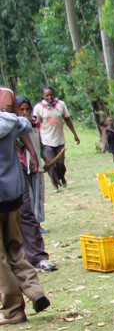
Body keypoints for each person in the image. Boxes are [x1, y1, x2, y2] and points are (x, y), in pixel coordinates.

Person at [0, 108, 49, 325]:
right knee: (15, 249)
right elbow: (27, 125)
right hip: (11, 196)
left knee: (0, 259)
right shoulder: (9, 122)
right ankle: (34, 290)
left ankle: (13, 310)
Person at [14, 97, 54, 272]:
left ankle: (37, 257)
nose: (24, 113)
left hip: (20, 168)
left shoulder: (25, 124)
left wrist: (37, 156)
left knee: (27, 211)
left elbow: (30, 139)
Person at [33, 86, 79, 190]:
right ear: (43, 96)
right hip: (46, 141)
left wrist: (75, 134)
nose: (49, 97)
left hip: (59, 140)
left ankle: (62, 177)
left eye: (51, 95)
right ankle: (55, 185)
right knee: (51, 163)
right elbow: (36, 124)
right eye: (47, 95)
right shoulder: (39, 108)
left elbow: (67, 119)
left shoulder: (60, 104)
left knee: (61, 164)